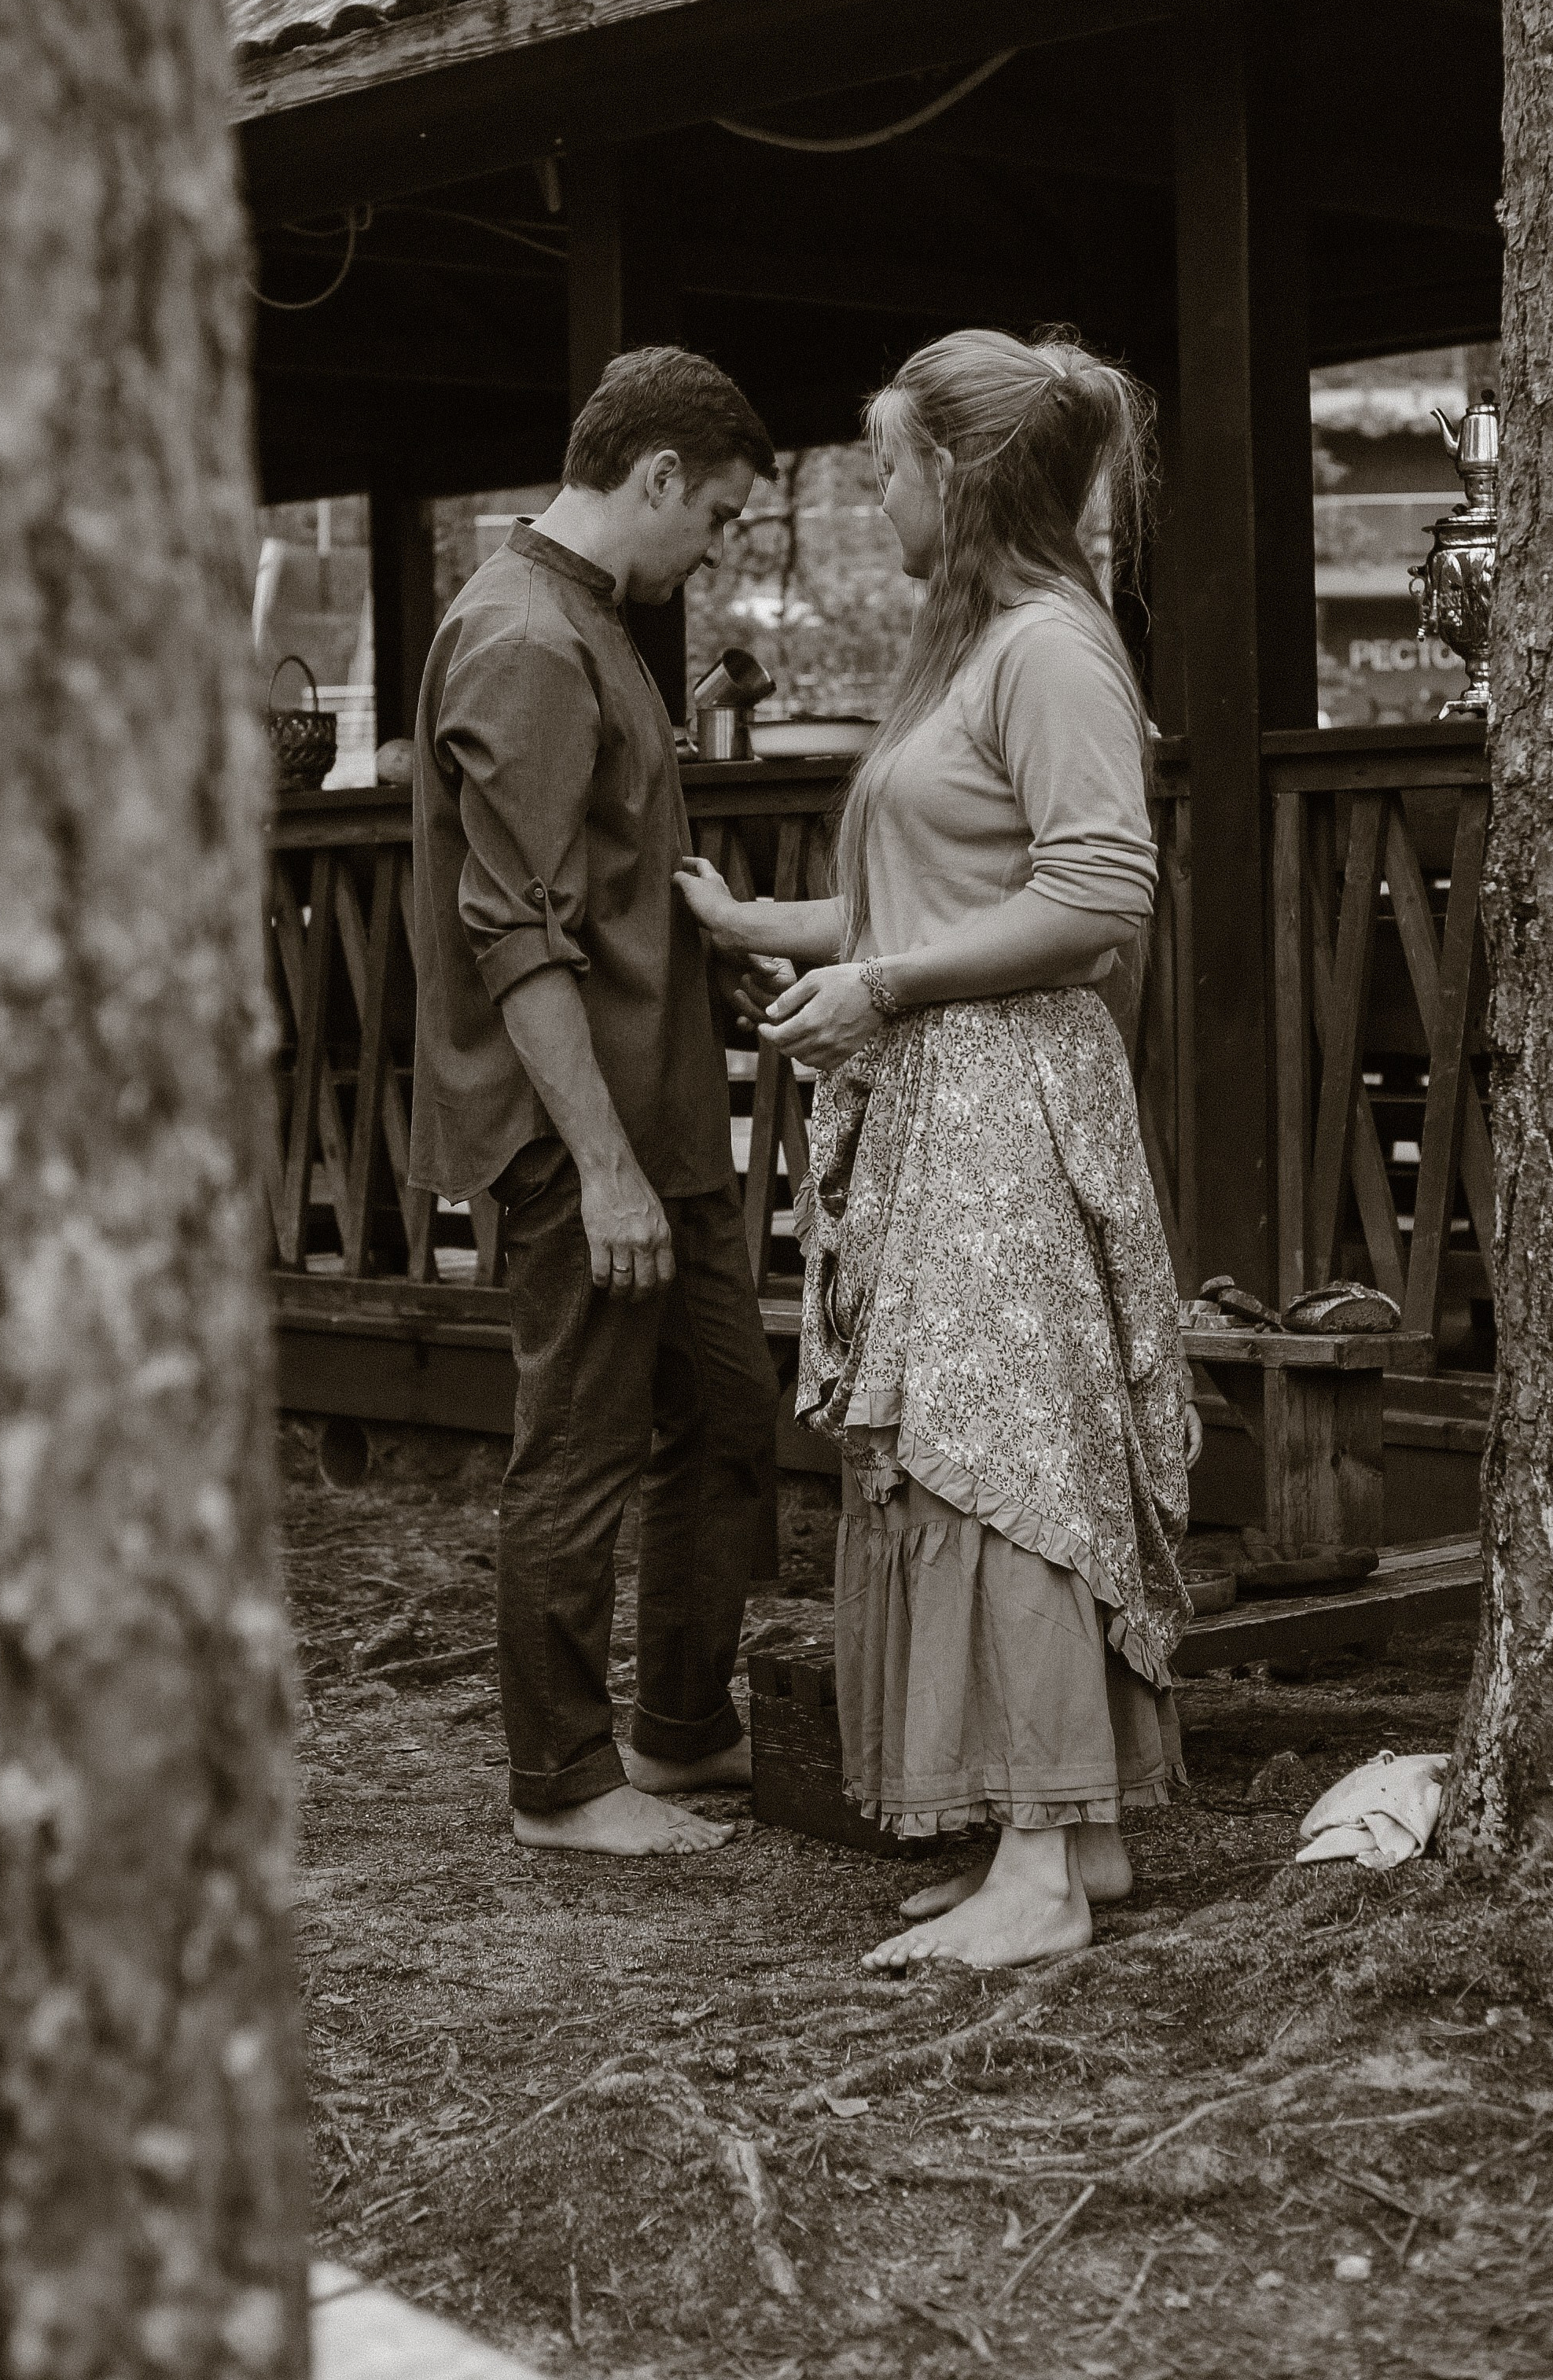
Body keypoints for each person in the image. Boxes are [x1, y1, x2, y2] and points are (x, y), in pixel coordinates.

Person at [677, 326, 1201, 1966]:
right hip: (943, 1097)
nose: (875, 488)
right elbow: (943, 892)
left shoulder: (1047, 648)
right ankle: (1072, 1839)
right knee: (971, 1452)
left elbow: (1100, 894)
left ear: (957, 477)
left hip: (1006, 1102)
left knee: (1004, 1460)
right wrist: (769, 924)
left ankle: (1038, 1877)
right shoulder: (966, 649)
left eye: (890, 459)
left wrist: (884, 982)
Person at [410, 346, 783, 1859]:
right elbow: (515, 930)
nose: (725, 547)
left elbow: (605, 879)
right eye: (727, 519)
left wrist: (720, 950)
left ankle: (684, 1730)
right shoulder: (520, 638)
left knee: (731, 1417)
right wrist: (606, 1171)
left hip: (663, 1118)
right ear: (659, 479)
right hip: (587, 1138)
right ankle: (560, 1779)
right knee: (580, 1444)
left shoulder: (591, 623)